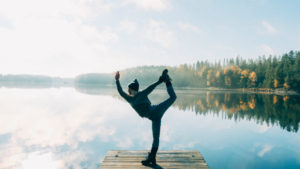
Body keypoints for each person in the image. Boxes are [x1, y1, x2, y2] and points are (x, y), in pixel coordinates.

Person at [115, 69, 177, 166]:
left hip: (156, 110)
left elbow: (150, 88)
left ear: (133, 89)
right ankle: (152, 158)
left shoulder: (141, 94)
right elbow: (120, 91)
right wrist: (117, 80)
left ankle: (167, 80)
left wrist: (160, 81)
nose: (128, 91)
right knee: (156, 138)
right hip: (154, 118)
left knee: (173, 97)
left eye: (129, 89)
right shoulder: (129, 98)